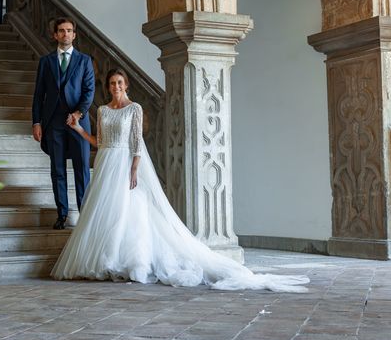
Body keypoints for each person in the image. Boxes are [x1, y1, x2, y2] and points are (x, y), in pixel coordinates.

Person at [51, 68, 310, 292]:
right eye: (112, 83)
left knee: (126, 212)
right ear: (107, 87)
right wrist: (79, 130)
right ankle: (104, 261)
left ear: (126, 85)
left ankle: (129, 262)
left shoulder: (135, 108)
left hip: (124, 164)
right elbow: (100, 142)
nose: (116, 87)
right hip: (106, 163)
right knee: (104, 214)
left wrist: (134, 169)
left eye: (120, 83)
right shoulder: (104, 111)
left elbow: (136, 142)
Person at [32, 17, 95, 230]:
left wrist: (78, 113)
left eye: (69, 30)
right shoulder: (46, 61)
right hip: (54, 122)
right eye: (61, 31)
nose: (65, 34)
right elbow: (39, 94)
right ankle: (62, 214)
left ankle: (84, 215)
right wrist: (36, 122)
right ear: (55, 35)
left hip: (78, 123)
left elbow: (89, 91)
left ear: (74, 35)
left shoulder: (85, 60)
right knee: (57, 169)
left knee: (81, 169)